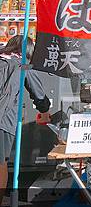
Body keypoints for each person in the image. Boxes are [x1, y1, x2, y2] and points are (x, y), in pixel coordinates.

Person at [0, 36, 50, 202]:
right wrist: (44, 110)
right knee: (1, 163)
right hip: (3, 121)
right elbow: (40, 96)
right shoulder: (23, 65)